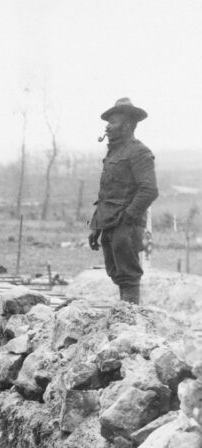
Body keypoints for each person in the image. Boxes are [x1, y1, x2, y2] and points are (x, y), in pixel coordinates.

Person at [88, 97, 159, 305]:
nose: (107, 127)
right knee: (117, 272)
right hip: (110, 222)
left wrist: (128, 218)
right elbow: (106, 194)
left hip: (126, 225)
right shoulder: (114, 152)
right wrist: (96, 226)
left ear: (127, 125)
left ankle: (130, 318)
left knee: (128, 274)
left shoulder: (139, 152)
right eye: (108, 122)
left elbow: (149, 190)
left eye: (113, 122)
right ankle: (124, 315)